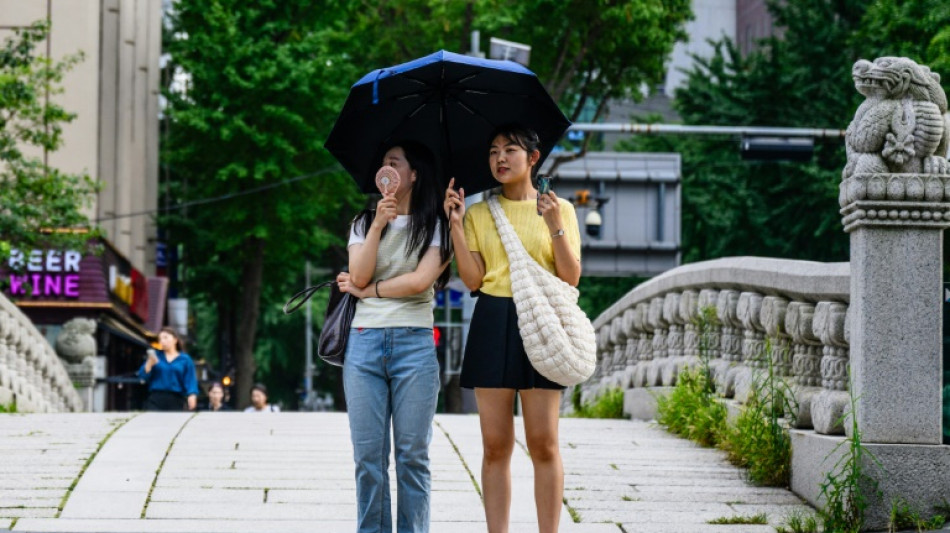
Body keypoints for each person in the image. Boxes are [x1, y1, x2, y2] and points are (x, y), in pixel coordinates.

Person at [443, 124, 582, 533]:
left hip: (541, 321)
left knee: (543, 443)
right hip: (492, 319)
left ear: (533, 158)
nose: (500, 159)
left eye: (510, 150)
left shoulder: (561, 209)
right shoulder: (480, 213)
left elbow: (571, 276)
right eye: (493, 152)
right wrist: (454, 224)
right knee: (495, 446)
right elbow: (472, 279)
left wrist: (555, 223)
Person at [335, 140, 452, 533]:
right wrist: (379, 225)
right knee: (368, 457)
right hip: (363, 344)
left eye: (394, 162)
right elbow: (360, 273)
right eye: (383, 162)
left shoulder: (436, 225)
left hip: (414, 345)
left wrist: (370, 293)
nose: (386, 167)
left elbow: (420, 282)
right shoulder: (363, 222)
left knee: (412, 456)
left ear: (413, 174)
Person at [137, 327, 199, 411]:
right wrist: (149, 363)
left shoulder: (185, 359)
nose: (162, 341)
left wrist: (192, 395)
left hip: (176, 398)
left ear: (175, 340)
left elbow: (190, 379)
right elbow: (143, 376)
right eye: (160, 339)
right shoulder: (156, 356)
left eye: (166, 337)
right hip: (156, 398)